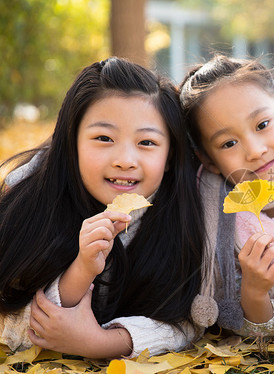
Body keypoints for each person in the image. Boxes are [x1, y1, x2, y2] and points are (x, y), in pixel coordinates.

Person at [0, 57, 208, 358]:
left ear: (170, 156)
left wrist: (99, 343)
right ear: (71, 143)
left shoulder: (183, 211)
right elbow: (13, 324)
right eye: (103, 138)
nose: (125, 159)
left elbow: (185, 320)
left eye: (147, 142)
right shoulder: (33, 201)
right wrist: (83, 269)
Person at [179, 55, 274, 337]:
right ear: (208, 160)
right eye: (228, 143)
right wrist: (254, 292)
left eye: (262, 125)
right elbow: (252, 334)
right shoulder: (209, 216)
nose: (254, 150)